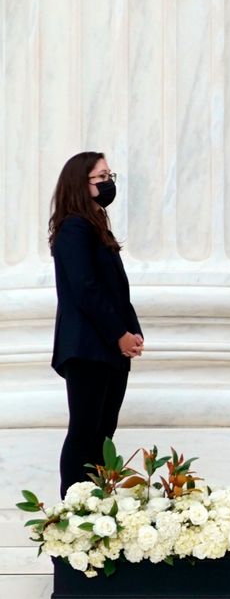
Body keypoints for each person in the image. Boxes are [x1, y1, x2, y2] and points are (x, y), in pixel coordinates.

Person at [48, 152, 143, 496]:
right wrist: (119, 334)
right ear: (80, 183)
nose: (108, 183)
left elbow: (116, 290)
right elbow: (85, 288)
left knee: (103, 434)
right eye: (101, 177)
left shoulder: (96, 227)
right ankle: (73, 509)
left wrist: (132, 331)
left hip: (108, 347)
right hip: (88, 347)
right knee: (85, 431)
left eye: (109, 176)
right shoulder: (74, 227)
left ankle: (96, 503)